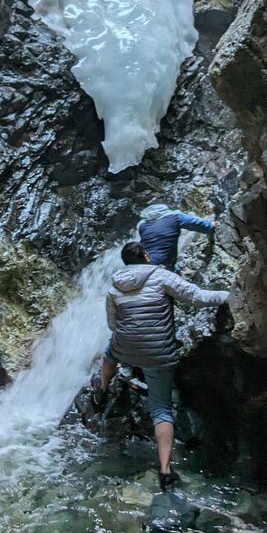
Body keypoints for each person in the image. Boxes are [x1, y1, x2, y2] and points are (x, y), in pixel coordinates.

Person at [97, 241, 229, 490]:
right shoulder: (160, 276)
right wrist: (229, 296)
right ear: (146, 256)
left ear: (125, 263)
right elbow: (196, 297)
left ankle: (102, 389)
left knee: (109, 353)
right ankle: (166, 471)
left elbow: (112, 325)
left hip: (125, 348)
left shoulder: (115, 287)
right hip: (158, 353)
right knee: (161, 410)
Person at [138, 202, 214, 272]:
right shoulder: (174, 217)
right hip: (162, 264)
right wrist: (212, 225)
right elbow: (202, 225)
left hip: (142, 263)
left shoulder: (143, 226)